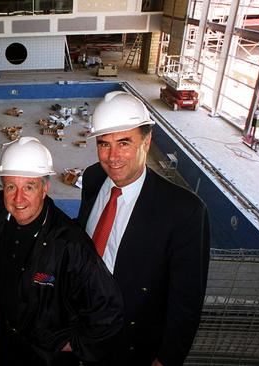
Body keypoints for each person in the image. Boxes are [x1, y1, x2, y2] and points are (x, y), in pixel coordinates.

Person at [77, 91, 210, 366]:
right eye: (104, 144)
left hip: (134, 344)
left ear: (146, 142)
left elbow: (186, 300)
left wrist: (166, 359)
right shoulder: (93, 178)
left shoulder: (184, 212)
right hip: (87, 330)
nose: (112, 157)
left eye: (124, 143)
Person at [0, 137, 124, 366]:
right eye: (11, 186)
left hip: (48, 359)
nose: (18, 199)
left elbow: (108, 310)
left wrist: (68, 344)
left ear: (45, 188)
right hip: (9, 348)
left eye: (29, 186)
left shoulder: (70, 245)